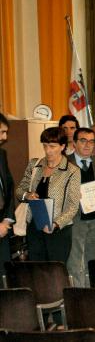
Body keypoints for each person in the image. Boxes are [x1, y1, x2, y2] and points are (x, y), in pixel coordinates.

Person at [16, 127, 80, 262]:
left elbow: (73, 206)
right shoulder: (35, 164)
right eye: (45, 146)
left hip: (58, 230)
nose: (48, 150)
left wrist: (56, 224)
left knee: (55, 272)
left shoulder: (72, 171)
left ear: (62, 146)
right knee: (37, 270)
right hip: (34, 226)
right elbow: (19, 190)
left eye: (52, 146)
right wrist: (27, 195)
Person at [66, 128, 95, 286]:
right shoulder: (64, 163)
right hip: (74, 220)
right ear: (74, 143)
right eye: (83, 140)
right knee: (74, 264)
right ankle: (77, 300)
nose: (88, 145)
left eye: (91, 141)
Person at [0, 114, 15, 274]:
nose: (5, 137)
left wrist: (7, 219)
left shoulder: (1, 155)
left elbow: (9, 187)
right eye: (2, 132)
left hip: (3, 228)